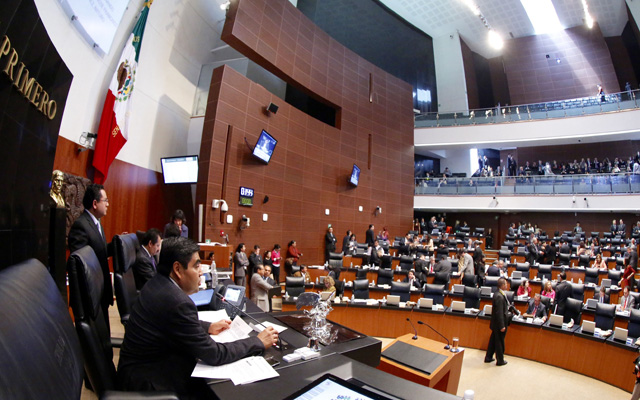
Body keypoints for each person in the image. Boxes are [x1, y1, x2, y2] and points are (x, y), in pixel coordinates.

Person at [117, 237, 278, 397]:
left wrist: (208, 326)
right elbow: (214, 354)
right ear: (178, 269)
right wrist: (257, 341)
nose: (201, 272)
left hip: (139, 369)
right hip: (149, 383)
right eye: (196, 266)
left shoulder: (158, 282)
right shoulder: (177, 302)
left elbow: (173, 321)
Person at [68, 183, 112, 331]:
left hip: (100, 294)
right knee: (96, 339)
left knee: (104, 337)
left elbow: (100, 252)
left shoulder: (96, 223)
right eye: (105, 200)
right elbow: (80, 264)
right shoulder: (81, 226)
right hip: (90, 297)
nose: (107, 204)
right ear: (95, 203)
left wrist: (116, 245)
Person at [485, 277, 510, 366]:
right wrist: (502, 325)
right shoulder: (499, 296)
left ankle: (488, 357)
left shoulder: (498, 293)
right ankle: (500, 360)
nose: (507, 285)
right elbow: (499, 312)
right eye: (506, 284)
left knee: (493, 341)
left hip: (496, 323)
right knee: (499, 342)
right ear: (502, 285)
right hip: (499, 324)